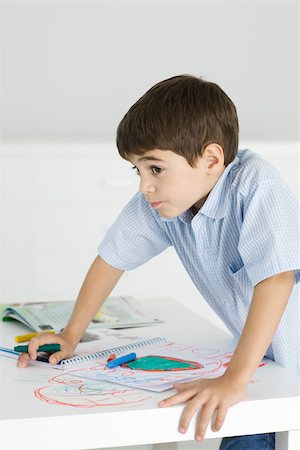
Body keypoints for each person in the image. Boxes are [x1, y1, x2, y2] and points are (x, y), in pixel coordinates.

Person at [17, 75, 299, 450]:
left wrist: (234, 378)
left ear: (211, 159)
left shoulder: (255, 185)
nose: (144, 186)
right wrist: (71, 334)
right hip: (262, 358)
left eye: (155, 169)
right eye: (138, 170)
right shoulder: (166, 203)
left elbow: (276, 280)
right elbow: (111, 258)